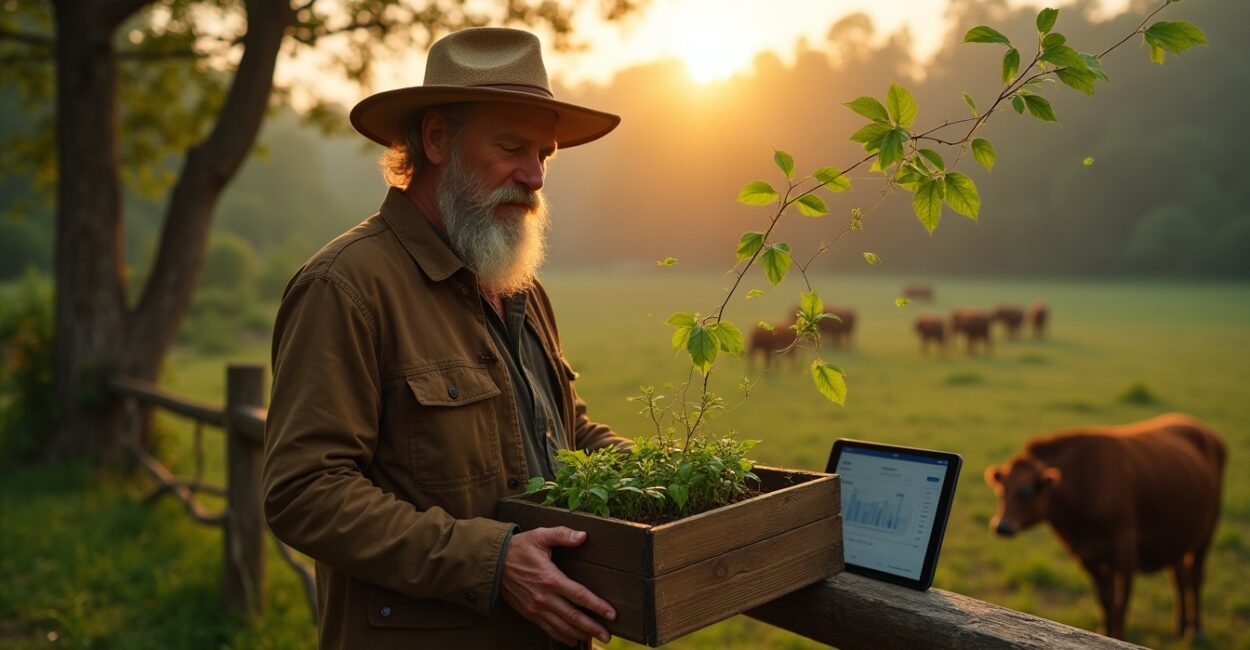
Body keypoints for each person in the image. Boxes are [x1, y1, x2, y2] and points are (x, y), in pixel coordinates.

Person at [262, 27, 633, 650]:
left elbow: (566, 433)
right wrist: (491, 562)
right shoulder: (347, 286)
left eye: (545, 154)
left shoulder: (519, 288)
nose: (535, 176)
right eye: (513, 147)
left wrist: (677, 481)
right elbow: (305, 492)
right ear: (436, 139)